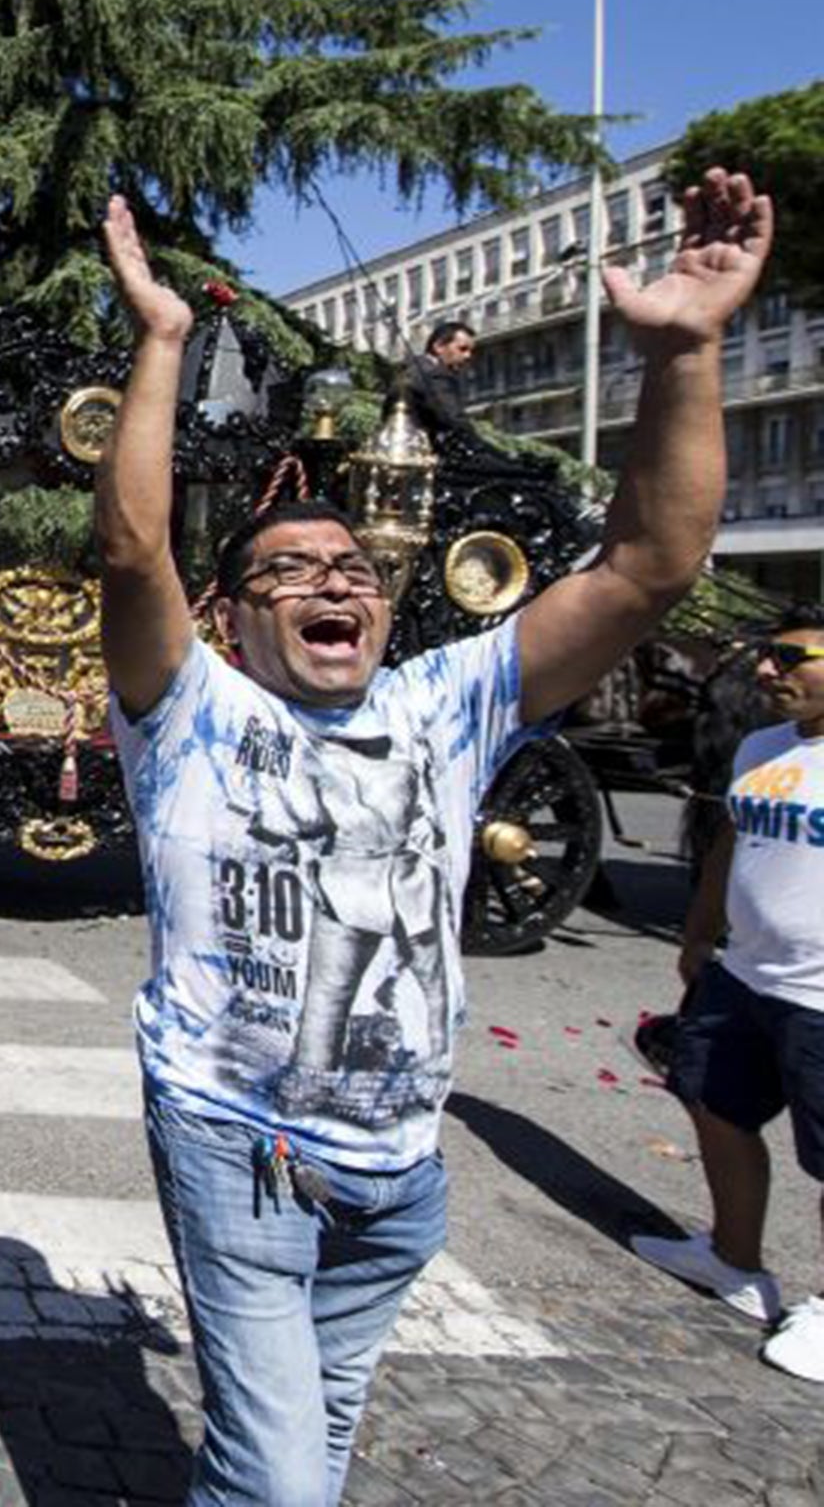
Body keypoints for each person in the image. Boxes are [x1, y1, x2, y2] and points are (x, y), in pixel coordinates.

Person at [94, 168, 771, 1506]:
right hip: (245, 1148)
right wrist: (163, 341)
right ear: (232, 621)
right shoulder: (189, 712)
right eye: (286, 572)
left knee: (316, 1450)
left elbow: (648, 567)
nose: (329, 582)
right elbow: (130, 550)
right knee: (276, 1478)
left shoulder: (445, 703)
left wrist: (688, 353)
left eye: (350, 567)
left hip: (399, 1178)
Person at [632, 605, 824, 1382]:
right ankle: (734, 1260)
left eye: (791, 657)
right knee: (713, 1103)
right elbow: (728, 842)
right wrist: (698, 934)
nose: (769, 672)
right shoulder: (762, 745)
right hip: (743, 973)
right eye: (767, 657)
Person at [405, 319, 478, 435]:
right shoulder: (433, 374)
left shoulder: (413, 371)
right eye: (462, 349)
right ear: (439, 346)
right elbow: (455, 422)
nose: (468, 356)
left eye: (471, 351)